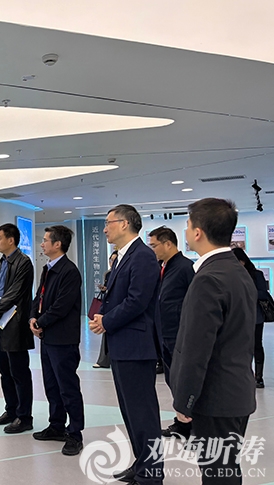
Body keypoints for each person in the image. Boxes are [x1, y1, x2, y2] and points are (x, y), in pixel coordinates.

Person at [171, 198, 256, 485]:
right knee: (226, 470)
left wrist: (185, 400)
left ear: (198, 232)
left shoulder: (209, 278)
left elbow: (196, 350)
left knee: (218, 473)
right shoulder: (237, 271)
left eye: (187, 225)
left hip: (215, 398)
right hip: (236, 392)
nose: (186, 231)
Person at [89, 204, 163, 485]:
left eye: (108, 223)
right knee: (130, 411)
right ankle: (142, 462)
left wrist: (106, 321)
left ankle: (152, 473)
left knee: (143, 412)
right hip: (123, 344)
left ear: (124, 223)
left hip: (136, 346)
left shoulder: (142, 256)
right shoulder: (122, 256)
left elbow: (137, 300)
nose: (104, 229)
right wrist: (104, 317)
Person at [28, 225, 84, 456]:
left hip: (63, 338)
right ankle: (56, 425)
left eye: (45, 240)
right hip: (48, 337)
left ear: (58, 244)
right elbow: (39, 297)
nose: (42, 244)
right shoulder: (48, 268)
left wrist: (41, 322)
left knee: (67, 387)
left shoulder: (69, 272)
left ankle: (75, 434)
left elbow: (62, 306)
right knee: (51, 385)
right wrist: (33, 317)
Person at [0, 223, 35, 434]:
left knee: (19, 372)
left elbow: (15, 292)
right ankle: (11, 410)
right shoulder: (1, 262)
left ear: (11, 240)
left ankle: (24, 417)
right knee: (5, 371)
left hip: (14, 324)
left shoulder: (24, 263)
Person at [148, 226, 195, 438]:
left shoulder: (185, 267)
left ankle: (192, 425)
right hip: (163, 334)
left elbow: (194, 304)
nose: (152, 250)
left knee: (183, 382)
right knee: (172, 380)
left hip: (179, 335)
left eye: (154, 245)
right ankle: (182, 423)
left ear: (168, 244)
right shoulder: (162, 267)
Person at [232, 247, 269, 388]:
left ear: (242, 261)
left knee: (256, 345)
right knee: (239, 346)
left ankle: (258, 377)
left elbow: (263, 294)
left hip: (255, 316)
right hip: (237, 316)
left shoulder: (257, 274)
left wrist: (247, 292)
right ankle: (244, 375)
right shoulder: (232, 275)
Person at [93, 250, 118, 369]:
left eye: (114, 260)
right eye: (111, 260)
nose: (112, 262)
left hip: (117, 308)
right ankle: (104, 360)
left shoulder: (121, 272)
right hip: (107, 307)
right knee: (105, 335)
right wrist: (104, 290)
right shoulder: (108, 274)